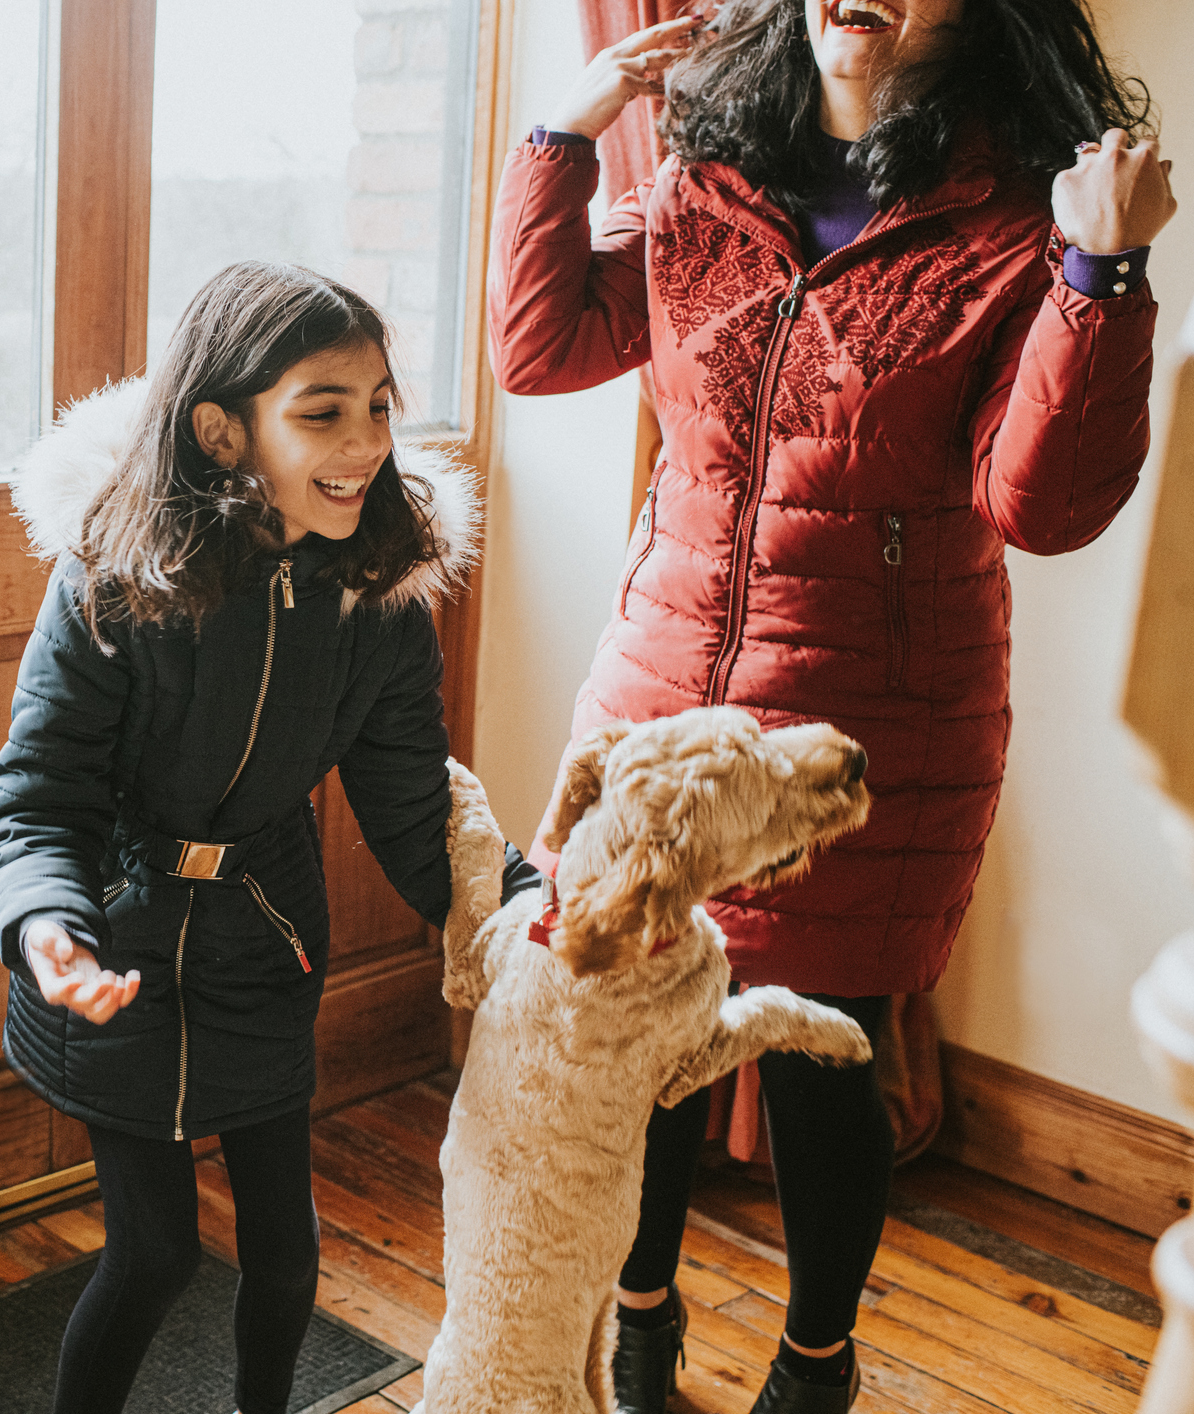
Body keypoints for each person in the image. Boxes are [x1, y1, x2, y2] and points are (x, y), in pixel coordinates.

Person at [489, 1, 1177, 1411]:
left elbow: (1040, 506)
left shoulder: (1013, 215)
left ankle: (813, 1366)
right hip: (659, 701)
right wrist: (562, 135)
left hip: (868, 730)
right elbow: (539, 348)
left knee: (818, 1064)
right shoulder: (703, 172)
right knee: (639, 1034)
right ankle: (638, 1322)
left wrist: (1101, 269)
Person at [0, 261, 529, 1414]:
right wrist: (49, 929)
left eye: (378, 405)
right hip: (116, 956)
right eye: (321, 411)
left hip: (261, 938)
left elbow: (407, 796)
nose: (366, 440)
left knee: (285, 1258)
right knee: (154, 1254)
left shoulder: (378, 600)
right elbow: (39, 796)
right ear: (223, 431)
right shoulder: (110, 582)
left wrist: (513, 904)